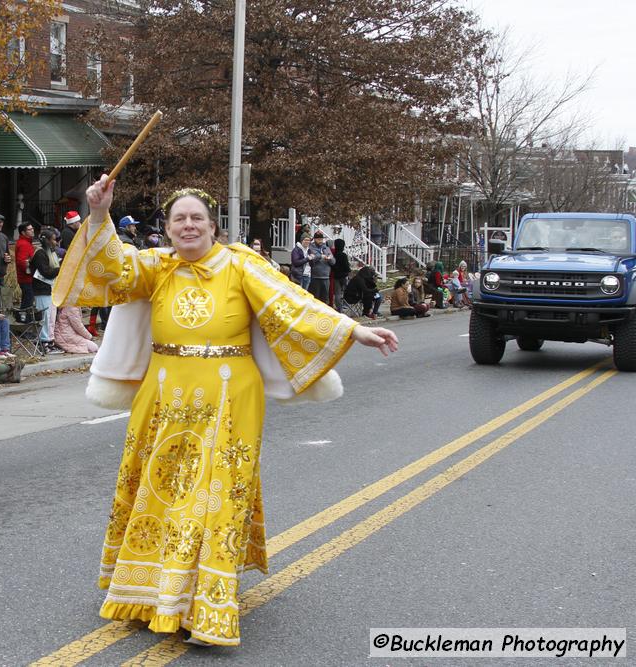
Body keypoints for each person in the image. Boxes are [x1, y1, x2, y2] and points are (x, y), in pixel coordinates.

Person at [52, 177, 398, 647]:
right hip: (163, 397)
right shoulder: (155, 267)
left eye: (197, 218)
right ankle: (149, 593)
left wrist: (354, 331)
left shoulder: (241, 266)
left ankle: (205, 609)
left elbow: (291, 304)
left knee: (212, 499)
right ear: (168, 230)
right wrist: (98, 214)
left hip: (229, 397)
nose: (188, 226)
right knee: (159, 492)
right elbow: (106, 270)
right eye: (179, 219)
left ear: (213, 227)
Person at [31, 228, 63, 355]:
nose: (56, 242)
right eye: (54, 240)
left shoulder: (51, 252)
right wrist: (60, 269)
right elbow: (46, 272)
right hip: (42, 290)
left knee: (51, 317)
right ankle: (44, 342)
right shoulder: (40, 253)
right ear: (47, 241)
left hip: (50, 289)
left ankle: (50, 341)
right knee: (44, 317)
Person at [306, 230, 335, 304]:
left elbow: (333, 262)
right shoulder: (311, 248)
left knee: (325, 299)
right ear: (315, 239)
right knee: (315, 299)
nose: (320, 241)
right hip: (315, 277)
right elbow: (312, 259)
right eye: (318, 239)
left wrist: (330, 258)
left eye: (321, 239)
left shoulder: (326, 248)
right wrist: (321, 256)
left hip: (326, 277)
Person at [15, 222, 37, 310]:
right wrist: (31, 271)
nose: (32, 231)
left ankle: (23, 318)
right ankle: (24, 319)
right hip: (26, 278)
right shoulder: (24, 244)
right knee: (28, 301)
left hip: (26, 278)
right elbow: (21, 262)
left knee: (27, 299)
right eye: (29, 229)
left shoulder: (26, 243)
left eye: (32, 228)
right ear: (23, 233)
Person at [330, 238, 351, 312]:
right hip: (344, 276)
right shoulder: (343, 255)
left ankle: (339, 309)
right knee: (347, 291)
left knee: (337, 293)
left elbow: (332, 265)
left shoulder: (333, 255)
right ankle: (346, 304)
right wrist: (349, 270)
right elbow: (346, 266)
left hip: (336, 276)